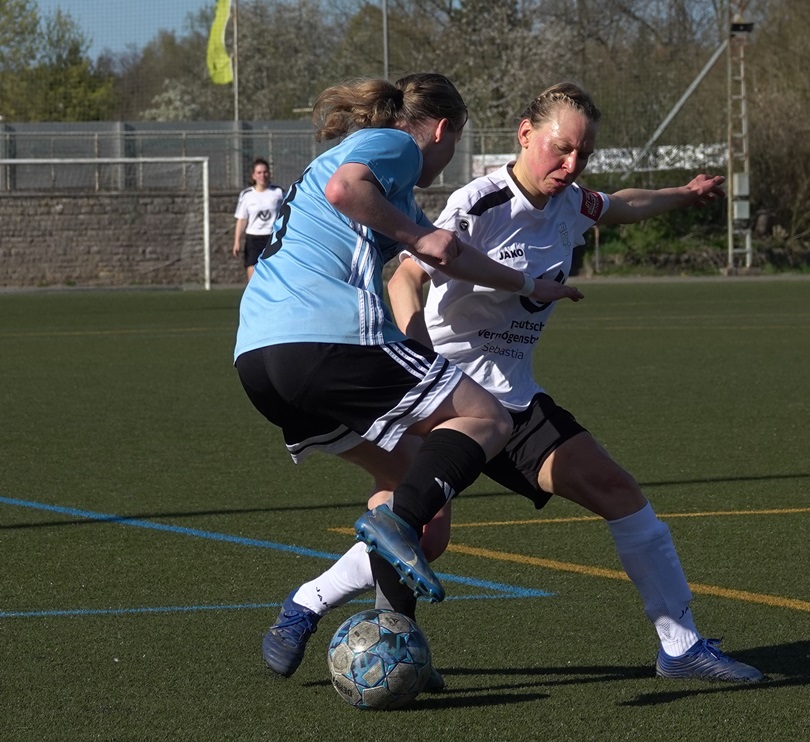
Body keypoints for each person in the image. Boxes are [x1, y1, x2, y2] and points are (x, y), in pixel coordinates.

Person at [261, 82, 765, 686]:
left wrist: (682, 194)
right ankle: (314, 607)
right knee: (421, 530)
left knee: (615, 490)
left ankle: (679, 646)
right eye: (561, 148)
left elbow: (621, 205)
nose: (571, 164)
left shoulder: (572, 202)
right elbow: (405, 278)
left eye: (583, 154)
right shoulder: (480, 202)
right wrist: (420, 354)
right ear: (525, 135)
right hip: (449, 392)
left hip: (514, 396)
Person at [233, 73, 584, 680]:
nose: (447, 158)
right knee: (488, 417)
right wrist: (417, 234)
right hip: (326, 336)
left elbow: (449, 253)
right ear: (442, 130)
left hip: (259, 359)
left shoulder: (368, 174)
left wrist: (529, 284)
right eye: (455, 142)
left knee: (419, 501)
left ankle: (314, 608)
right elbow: (349, 192)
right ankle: (391, 527)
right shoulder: (393, 144)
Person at [232, 158, 284, 282]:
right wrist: (237, 241)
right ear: (253, 175)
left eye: (265, 172)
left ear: (269, 174)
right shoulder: (247, 195)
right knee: (253, 275)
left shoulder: (278, 192)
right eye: (259, 173)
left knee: (274, 275)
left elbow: (286, 214)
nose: (262, 175)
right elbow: (242, 219)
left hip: (273, 238)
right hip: (253, 239)